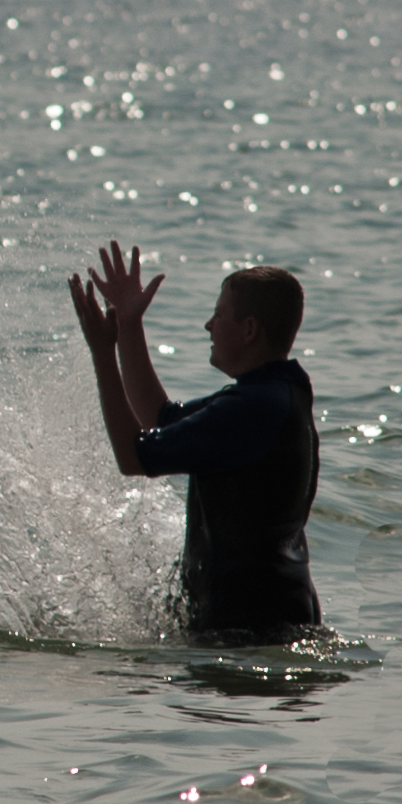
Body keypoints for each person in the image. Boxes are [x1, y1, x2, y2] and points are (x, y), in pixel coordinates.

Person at [66, 242, 322, 643]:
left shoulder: (252, 408)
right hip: (277, 619)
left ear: (250, 329)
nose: (208, 325)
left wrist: (103, 351)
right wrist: (129, 325)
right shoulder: (275, 394)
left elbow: (133, 455)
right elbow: (160, 419)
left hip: (251, 631)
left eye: (219, 314)